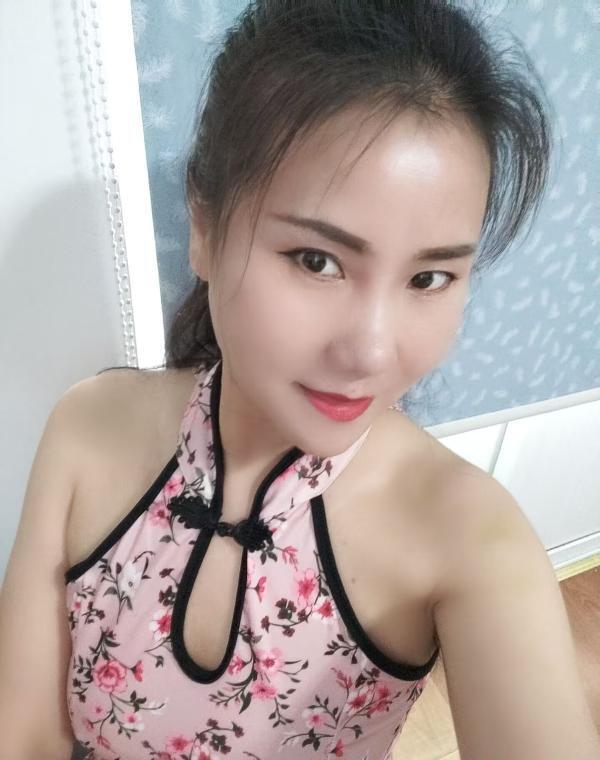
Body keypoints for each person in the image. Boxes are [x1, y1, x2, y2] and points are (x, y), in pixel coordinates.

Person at [1, 1, 598, 758]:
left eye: (429, 278)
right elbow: (24, 733)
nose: (372, 352)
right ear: (205, 226)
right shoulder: (89, 426)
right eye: (317, 261)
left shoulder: (468, 537)